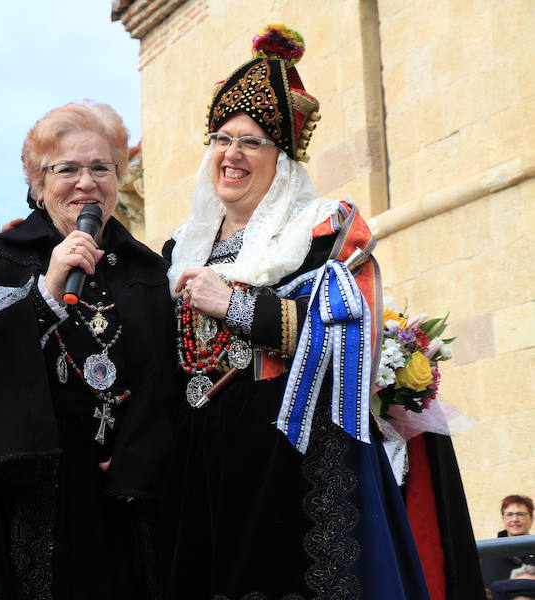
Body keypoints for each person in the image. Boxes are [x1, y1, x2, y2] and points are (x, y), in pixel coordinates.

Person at [161, 25, 430, 599]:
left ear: (282, 159)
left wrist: (233, 304)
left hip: (293, 456)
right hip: (200, 463)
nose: (231, 154)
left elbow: (351, 339)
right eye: (221, 138)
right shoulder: (180, 246)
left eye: (252, 141)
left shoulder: (325, 230)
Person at [0, 100, 175, 599]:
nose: (85, 183)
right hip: (27, 491)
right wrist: (45, 292)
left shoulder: (148, 270)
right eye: (66, 169)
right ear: (37, 182)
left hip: (120, 498)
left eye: (100, 168)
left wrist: (137, 457)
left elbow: (162, 376)